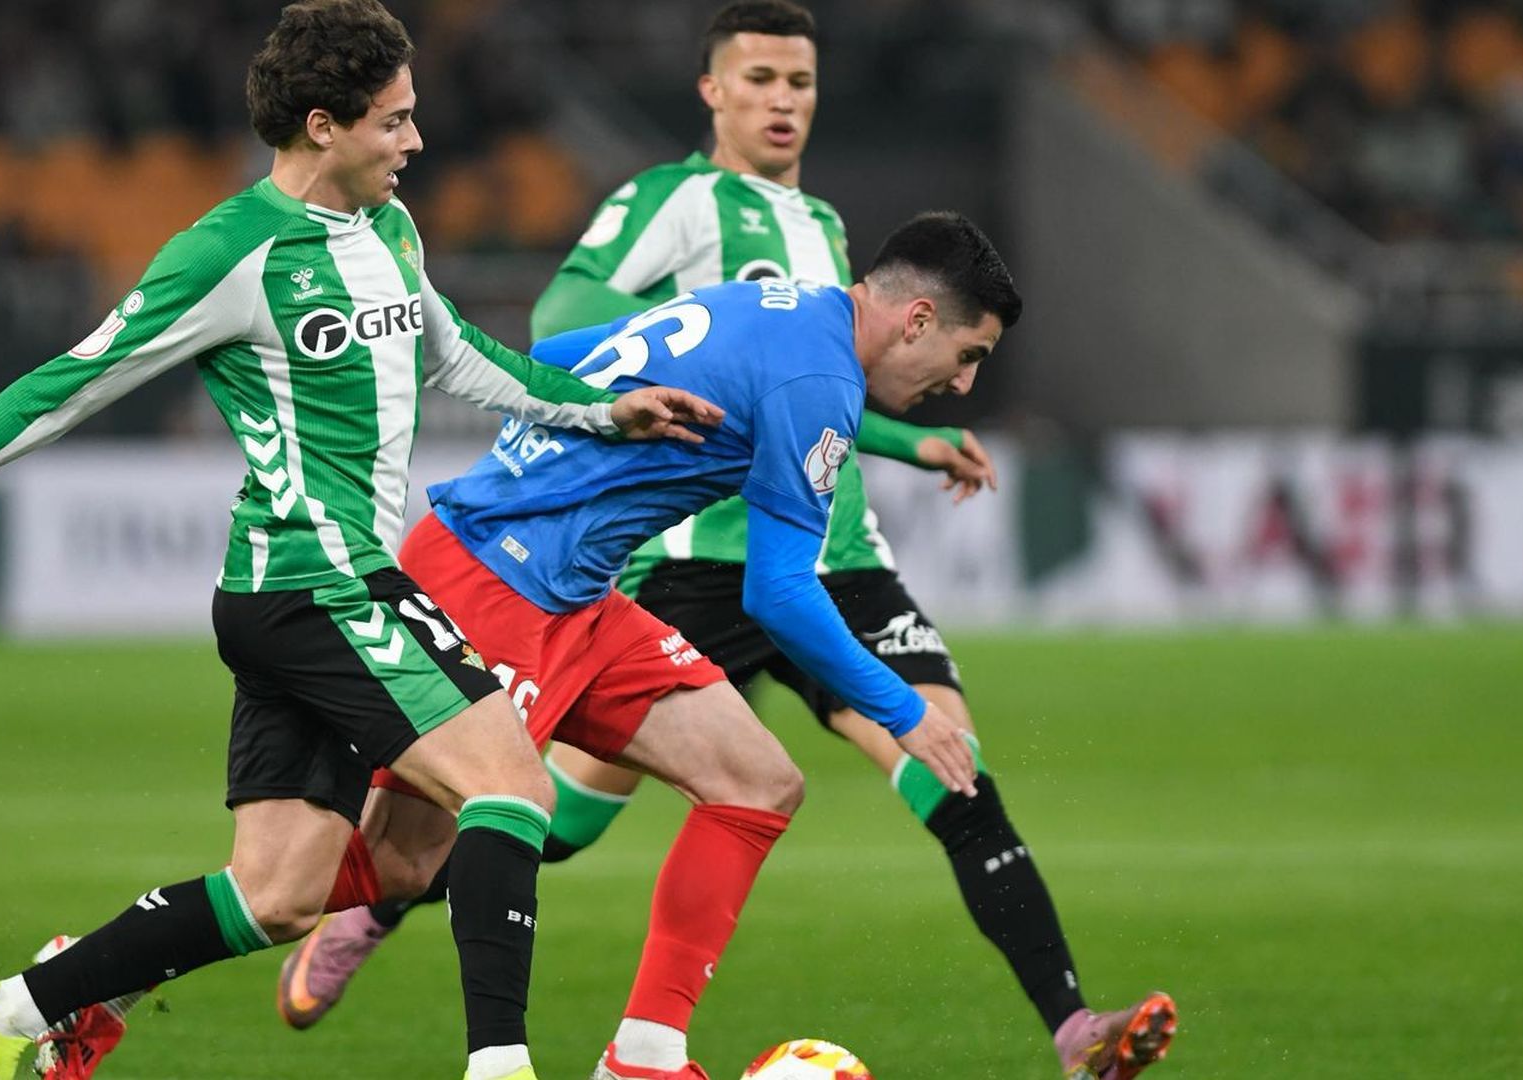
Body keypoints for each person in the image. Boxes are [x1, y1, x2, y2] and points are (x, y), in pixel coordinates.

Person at [0, 4, 719, 1080]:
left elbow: (459, 353)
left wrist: (600, 410)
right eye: (394, 122)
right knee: (512, 789)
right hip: (317, 584)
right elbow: (73, 379)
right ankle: (500, 1067)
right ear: (322, 125)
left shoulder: (389, 230)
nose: (416, 142)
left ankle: (5, 1013)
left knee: (282, 895)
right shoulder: (228, 252)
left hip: (308, 596)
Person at [288, 4, 1178, 1079]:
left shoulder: (829, 235)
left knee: (951, 770)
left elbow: (826, 395)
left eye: (800, 81)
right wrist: (639, 392)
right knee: (548, 819)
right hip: (687, 560)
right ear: (712, 91)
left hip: (830, 554)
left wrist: (903, 440)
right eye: (758, 78)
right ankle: (381, 892)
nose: (783, 100)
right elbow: (567, 324)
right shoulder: (668, 201)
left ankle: (1074, 1031)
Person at [306, 213, 1006, 1080]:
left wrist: (591, 425)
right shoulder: (817, 375)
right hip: (499, 581)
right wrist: (903, 711)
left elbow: (566, 347)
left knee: (757, 783)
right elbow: (780, 593)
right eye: (970, 355)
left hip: (578, 594)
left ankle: (645, 1054)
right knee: (377, 864)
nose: (967, 384)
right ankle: (101, 971)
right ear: (919, 320)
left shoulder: (776, 305)